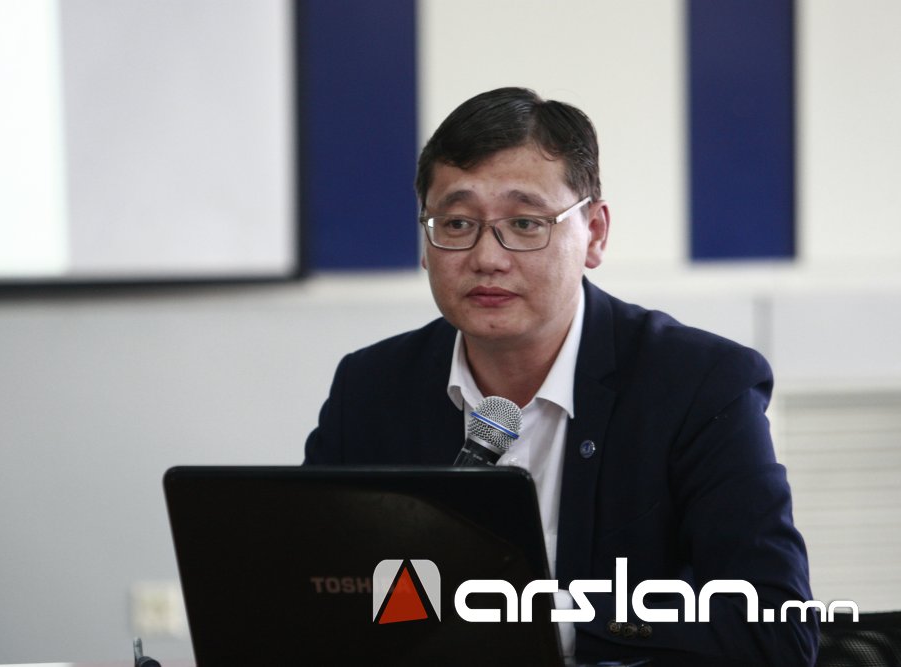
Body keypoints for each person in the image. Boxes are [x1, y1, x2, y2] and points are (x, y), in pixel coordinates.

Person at [304, 87, 819, 665]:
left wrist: (544, 623)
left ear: (594, 233)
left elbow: (775, 630)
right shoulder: (371, 389)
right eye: (457, 223)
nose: (487, 257)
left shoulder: (699, 386)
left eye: (526, 223)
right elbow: (306, 595)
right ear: (426, 241)